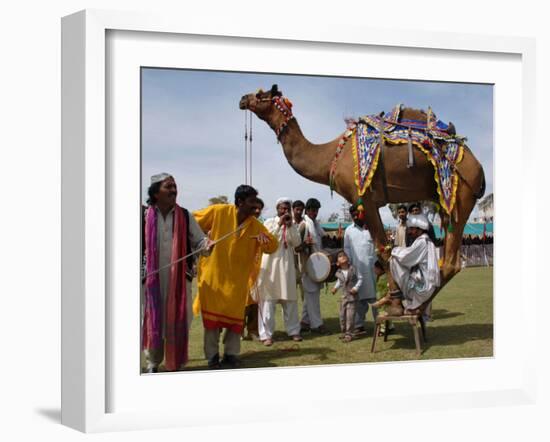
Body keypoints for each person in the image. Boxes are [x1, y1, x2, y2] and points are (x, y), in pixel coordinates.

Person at [193, 185, 278, 369]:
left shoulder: (254, 225)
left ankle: (231, 355)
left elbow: (273, 246)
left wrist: (267, 242)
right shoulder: (218, 211)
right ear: (240, 202)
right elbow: (191, 222)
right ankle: (213, 357)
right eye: (252, 202)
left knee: (235, 321)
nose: (256, 207)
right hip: (213, 277)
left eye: (257, 202)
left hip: (237, 282)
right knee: (212, 323)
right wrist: (203, 239)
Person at [141, 173, 213, 373]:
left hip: (179, 281)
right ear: (155, 193)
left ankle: (176, 364)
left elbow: (199, 241)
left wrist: (207, 244)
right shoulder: (143, 216)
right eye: (168, 187)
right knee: (151, 318)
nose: (174, 190)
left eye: (175, 186)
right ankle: (153, 363)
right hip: (150, 281)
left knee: (179, 320)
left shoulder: (184, 216)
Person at [256, 197, 303, 346]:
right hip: (270, 268)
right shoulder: (269, 222)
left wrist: (289, 227)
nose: (284, 211)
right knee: (268, 302)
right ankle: (266, 335)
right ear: (277, 209)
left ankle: (294, 331)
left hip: (287, 268)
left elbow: (297, 243)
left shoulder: (293, 225)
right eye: (282, 208)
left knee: (290, 300)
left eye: (286, 208)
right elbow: (268, 239)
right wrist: (279, 224)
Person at [390, 214, 441, 315]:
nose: (409, 232)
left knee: (394, 260)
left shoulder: (422, 241)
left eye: (412, 229)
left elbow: (407, 257)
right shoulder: (424, 240)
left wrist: (394, 250)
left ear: (419, 229)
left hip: (424, 285)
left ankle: (401, 298)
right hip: (425, 281)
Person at [343, 204, 378, 335]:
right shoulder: (348, 231)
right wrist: (350, 264)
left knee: (376, 298)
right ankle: (358, 325)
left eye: (357, 213)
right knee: (359, 299)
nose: (355, 216)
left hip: (373, 270)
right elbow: (346, 249)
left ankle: (381, 325)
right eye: (353, 214)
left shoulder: (372, 227)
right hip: (357, 270)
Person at [297, 198, 330, 335]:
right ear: (307, 210)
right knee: (312, 296)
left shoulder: (316, 226)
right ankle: (316, 325)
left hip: (317, 264)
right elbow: (296, 248)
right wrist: (306, 245)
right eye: (312, 210)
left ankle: (305, 322)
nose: (314, 213)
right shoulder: (304, 225)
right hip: (307, 266)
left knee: (312, 294)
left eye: (316, 210)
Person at [243, 198, 265, 341]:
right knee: (241, 303)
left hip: (256, 270)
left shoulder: (260, 226)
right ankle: (238, 331)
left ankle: (253, 331)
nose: (257, 211)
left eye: (259, 209)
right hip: (240, 270)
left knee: (254, 301)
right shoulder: (239, 223)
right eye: (254, 208)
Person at [331, 251, 362, 343]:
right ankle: (344, 332)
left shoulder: (354, 269)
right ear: (337, 263)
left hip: (352, 297)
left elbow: (360, 278)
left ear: (348, 259)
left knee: (350, 316)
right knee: (342, 315)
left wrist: (356, 288)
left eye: (344, 255)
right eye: (340, 256)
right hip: (343, 297)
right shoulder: (338, 272)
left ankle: (349, 334)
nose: (342, 257)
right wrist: (335, 288)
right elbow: (339, 282)